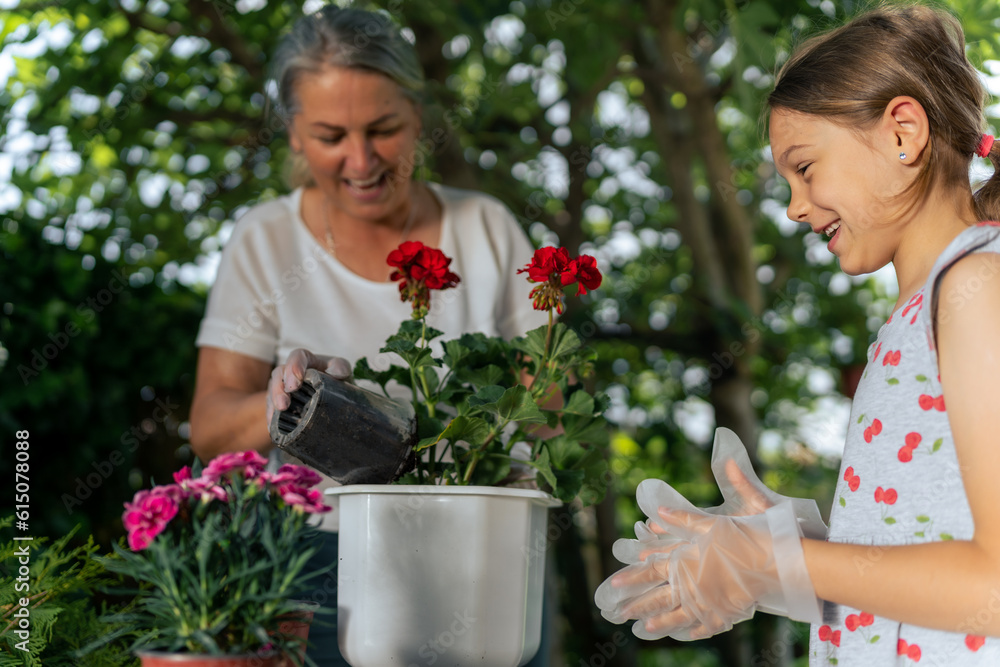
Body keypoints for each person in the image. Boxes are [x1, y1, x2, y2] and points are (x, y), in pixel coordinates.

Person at [595, 4, 1000, 664]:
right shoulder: (925, 310)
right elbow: (929, 542)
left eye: (805, 167)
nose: (794, 207)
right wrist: (776, 560)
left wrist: (786, 558)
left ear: (903, 131)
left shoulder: (976, 290)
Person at [188, 6, 550, 665]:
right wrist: (280, 401)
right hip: (316, 564)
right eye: (330, 136)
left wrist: (525, 431)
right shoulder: (265, 242)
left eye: (384, 129)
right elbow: (210, 425)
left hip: (481, 554)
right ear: (294, 136)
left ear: (418, 117)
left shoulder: (487, 229)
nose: (362, 160)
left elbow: (555, 399)